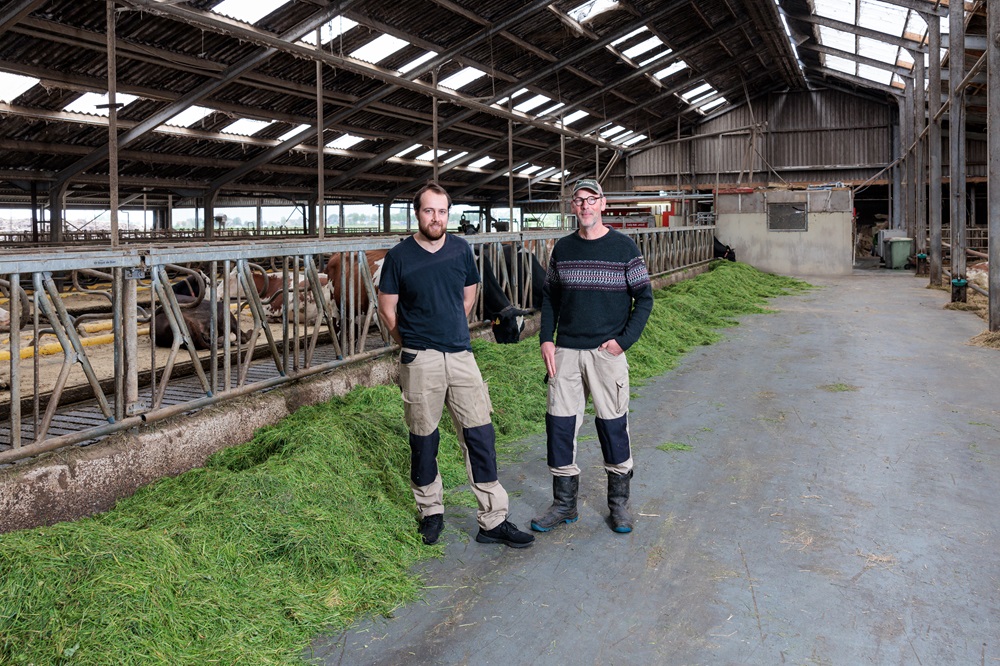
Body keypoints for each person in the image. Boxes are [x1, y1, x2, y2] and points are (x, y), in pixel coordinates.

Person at [378, 182, 534, 549]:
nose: (436, 217)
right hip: (421, 361)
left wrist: (449, 331)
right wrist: (415, 344)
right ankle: (431, 512)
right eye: (429, 210)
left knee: (480, 436)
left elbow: (469, 295)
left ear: (449, 214)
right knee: (424, 439)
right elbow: (388, 310)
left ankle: (493, 520)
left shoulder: (461, 250)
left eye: (442, 211)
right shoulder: (399, 256)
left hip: (462, 357)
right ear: (417, 213)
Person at [532, 178, 654, 534]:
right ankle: (564, 505)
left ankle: (618, 505)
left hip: (606, 353)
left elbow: (644, 298)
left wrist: (623, 342)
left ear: (604, 204)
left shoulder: (624, 247)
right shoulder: (563, 249)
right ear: (573, 207)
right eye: (578, 200)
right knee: (560, 425)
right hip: (566, 350)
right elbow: (550, 298)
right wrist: (546, 339)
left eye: (591, 199)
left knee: (613, 425)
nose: (585, 206)